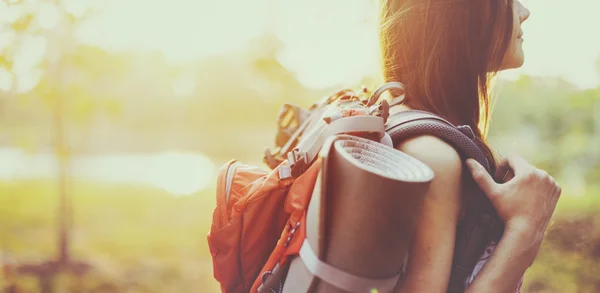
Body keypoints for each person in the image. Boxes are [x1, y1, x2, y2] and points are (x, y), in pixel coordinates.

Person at [379, 0, 562, 292]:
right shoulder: (431, 156)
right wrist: (527, 229)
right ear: (461, 13)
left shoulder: (398, 117)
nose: (524, 13)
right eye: (508, 2)